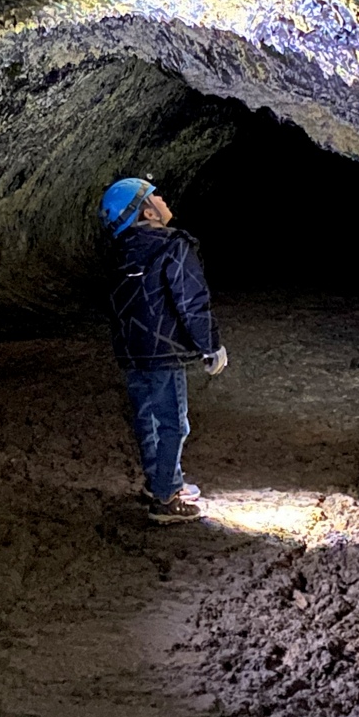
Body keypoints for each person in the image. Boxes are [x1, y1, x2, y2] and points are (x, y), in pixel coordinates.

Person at [101, 177, 229, 524]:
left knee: (147, 420)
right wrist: (210, 345)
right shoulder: (174, 246)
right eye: (155, 195)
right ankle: (166, 499)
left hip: (131, 353)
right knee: (174, 423)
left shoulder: (117, 253)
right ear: (147, 211)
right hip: (164, 353)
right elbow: (192, 301)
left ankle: (159, 481)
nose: (163, 199)